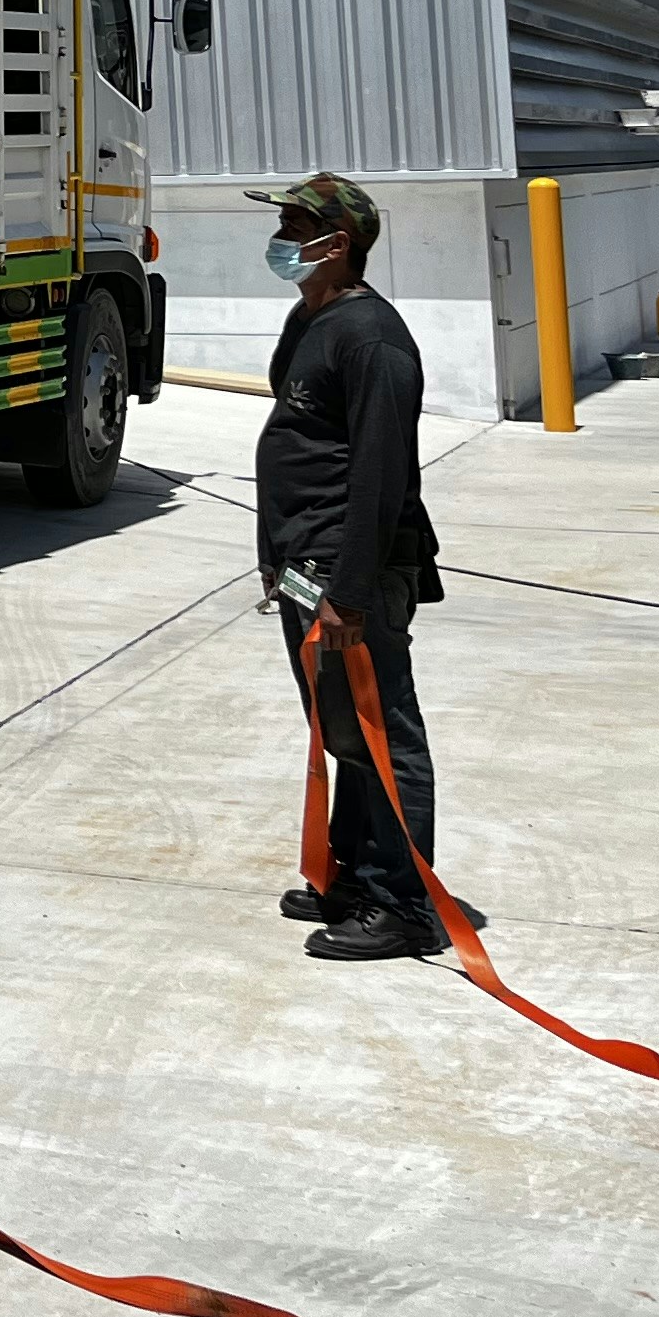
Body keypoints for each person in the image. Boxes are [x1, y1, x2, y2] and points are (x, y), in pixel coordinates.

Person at [249, 170, 448, 960]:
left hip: (350, 570)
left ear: (338, 243)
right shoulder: (313, 318)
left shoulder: (374, 339)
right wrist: (280, 563)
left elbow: (378, 475)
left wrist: (350, 592)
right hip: (308, 566)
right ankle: (356, 876)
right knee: (340, 728)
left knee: (380, 730)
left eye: (296, 225)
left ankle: (401, 904)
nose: (281, 239)